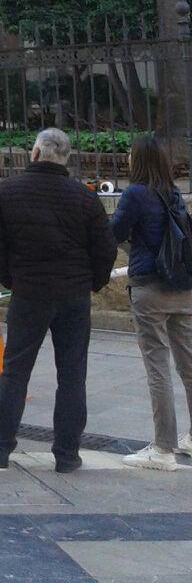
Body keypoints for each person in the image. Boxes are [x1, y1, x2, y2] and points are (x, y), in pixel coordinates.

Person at [0, 127, 117, 472]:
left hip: (30, 291)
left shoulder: (7, 191)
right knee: (72, 375)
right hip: (73, 294)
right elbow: (106, 248)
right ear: (66, 158)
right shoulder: (84, 198)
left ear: (35, 153)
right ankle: (67, 454)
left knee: (15, 371)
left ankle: (0, 447)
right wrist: (93, 283)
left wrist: (11, 278)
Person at [111, 134, 192, 471]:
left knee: (157, 368)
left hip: (151, 289)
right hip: (184, 289)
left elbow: (112, 233)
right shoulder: (173, 193)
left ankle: (162, 448)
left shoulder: (135, 194)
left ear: (138, 160)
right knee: (189, 366)